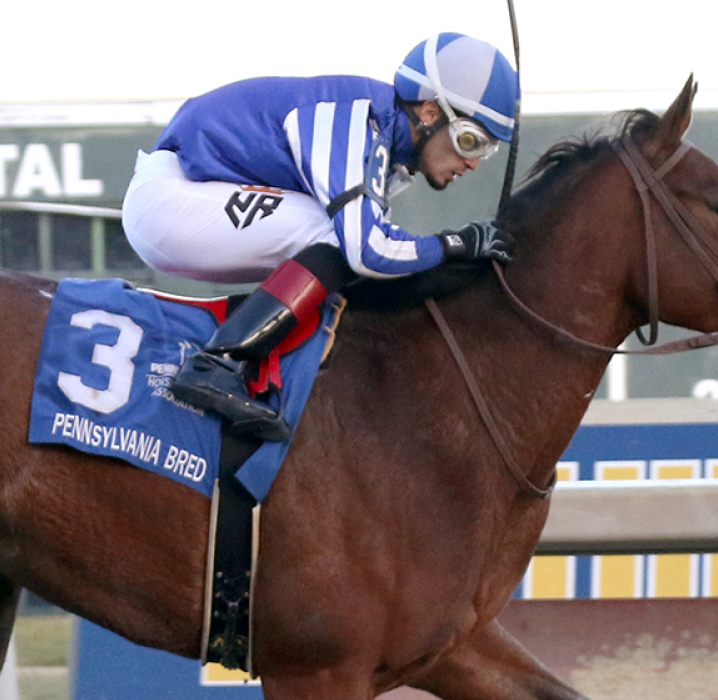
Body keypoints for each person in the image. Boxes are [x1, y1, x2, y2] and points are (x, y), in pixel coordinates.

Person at [121, 32, 519, 441]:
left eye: (485, 151)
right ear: (431, 112)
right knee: (339, 236)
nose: (472, 162)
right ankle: (216, 364)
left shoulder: (385, 147)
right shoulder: (356, 120)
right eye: (471, 140)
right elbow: (367, 250)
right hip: (170, 200)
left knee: (345, 246)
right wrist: (457, 245)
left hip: (192, 199)